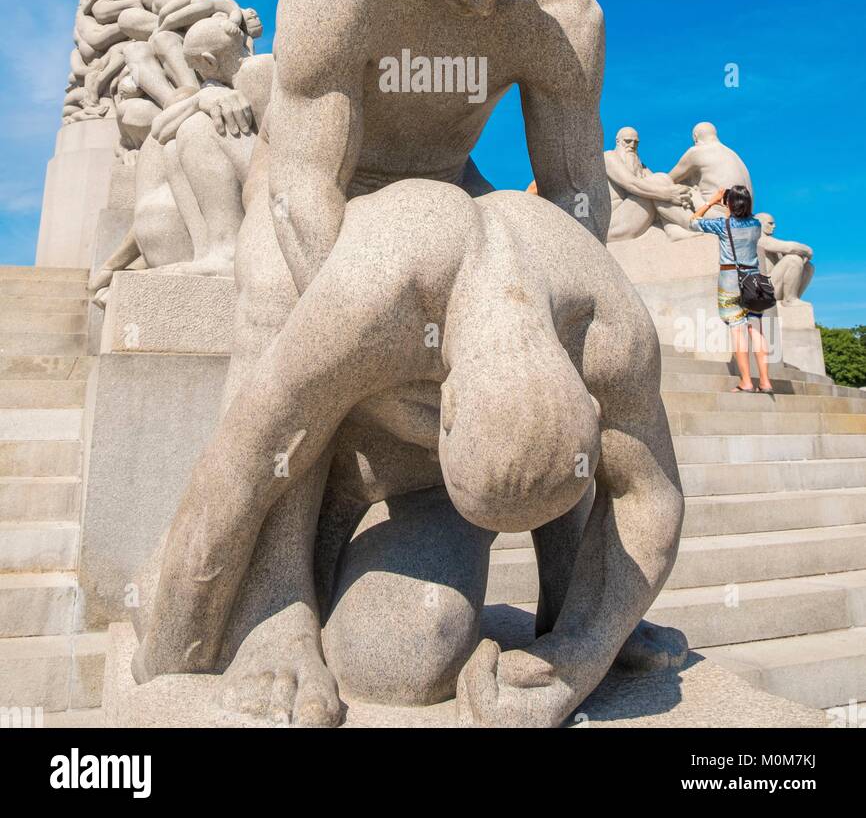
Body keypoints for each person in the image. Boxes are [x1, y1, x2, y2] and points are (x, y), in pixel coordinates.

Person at [133, 181, 684, 730]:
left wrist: (579, 655)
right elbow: (244, 458)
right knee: (272, 273)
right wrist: (174, 654)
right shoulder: (378, 280)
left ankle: (565, 593)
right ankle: (279, 600)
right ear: (446, 410)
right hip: (319, 462)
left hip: (423, 482)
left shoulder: (612, 332)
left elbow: (651, 495)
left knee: (402, 661)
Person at [690, 184, 773, 393]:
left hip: (730, 281)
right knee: (757, 331)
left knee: (738, 332)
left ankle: (746, 382)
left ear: (729, 203)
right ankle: (765, 381)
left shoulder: (722, 224)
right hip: (754, 282)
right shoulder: (756, 225)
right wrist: (730, 206)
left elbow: (692, 222)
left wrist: (712, 201)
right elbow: (739, 220)